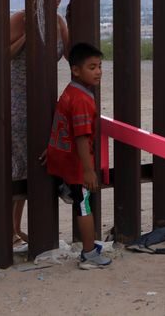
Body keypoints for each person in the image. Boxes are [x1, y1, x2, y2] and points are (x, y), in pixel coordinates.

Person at [9, 0, 70, 245]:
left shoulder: (59, 22)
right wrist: (30, 33)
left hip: (46, 100)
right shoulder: (19, 18)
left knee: (37, 162)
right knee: (20, 163)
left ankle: (20, 227)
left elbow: (71, 56)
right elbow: (3, 53)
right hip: (18, 101)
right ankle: (11, 229)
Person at [44, 42, 111, 269]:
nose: (99, 71)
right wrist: (89, 171)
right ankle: (89, 254)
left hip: (60, 156)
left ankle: (67, 189)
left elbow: (61, 124)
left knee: (80, 200)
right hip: (76, 164)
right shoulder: (83, 100)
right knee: (84, 206)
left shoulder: (70, 92)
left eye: (100, 66)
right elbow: (82, 137)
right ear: (76, 70)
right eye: (92, 67)